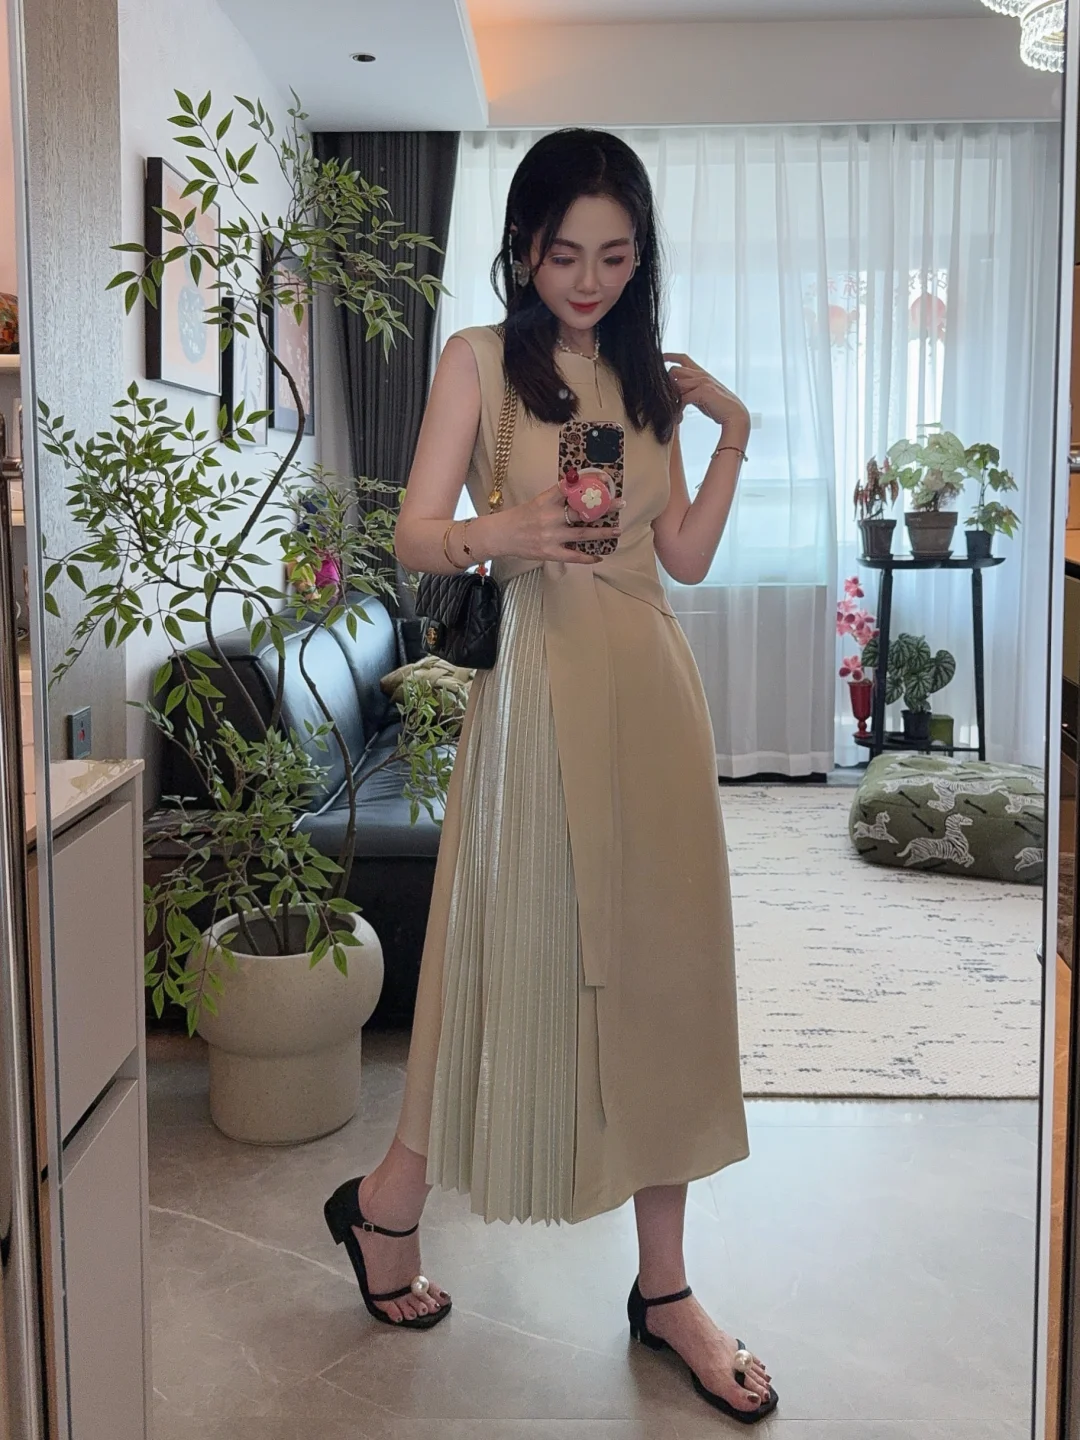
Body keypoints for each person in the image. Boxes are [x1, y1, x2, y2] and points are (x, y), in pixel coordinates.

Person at [324, 128, 778, 1425]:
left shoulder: (648, 378)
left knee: (668, 976)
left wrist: (733, 430)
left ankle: (665, 1289)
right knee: (496, 964)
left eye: (617, 256)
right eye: (566, 253)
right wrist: (506, 529)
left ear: (643, 260)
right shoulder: (479, 361)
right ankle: (387, 1204)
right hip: (532, 697)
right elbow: (413, 532)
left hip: (653, 693)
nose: (589, 280)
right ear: (524, 248)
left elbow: (683, 555)